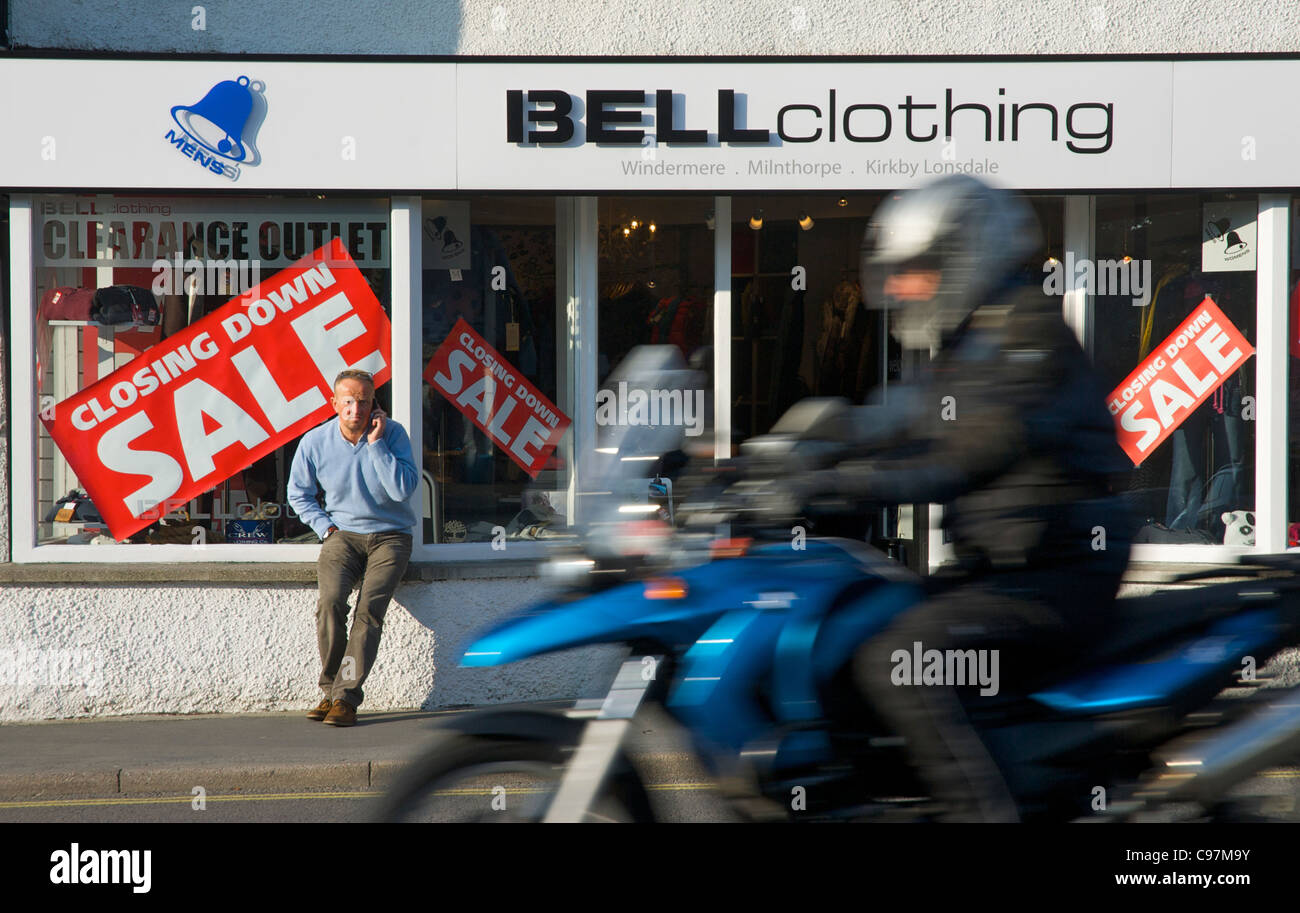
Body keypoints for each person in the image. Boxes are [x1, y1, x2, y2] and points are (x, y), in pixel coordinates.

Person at [781, 175, 1134, 820]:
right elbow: (899, 420)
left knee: (901, 662)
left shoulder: (1027, 331)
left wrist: (839, 482)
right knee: (864, 620)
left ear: (964, 257)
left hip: (1056, 571)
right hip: (1000, 566)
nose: (902, 288)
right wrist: (785, 452)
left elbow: (973, 449)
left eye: (918, 270)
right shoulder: (969, 340)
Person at [288, 369, 418, 727]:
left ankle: (345, 698)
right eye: (348, 400)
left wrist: (376, 445)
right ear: (334, 403)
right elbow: (297, 492)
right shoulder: (316, 441)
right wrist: (324, 527)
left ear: (374, 404)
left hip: (391, 536)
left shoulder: (393, 436)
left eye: (363, 401)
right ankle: (330, 690)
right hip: (342, 535)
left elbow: (403, 491)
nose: (355, 408)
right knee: (330, 605)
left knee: (368, 613)